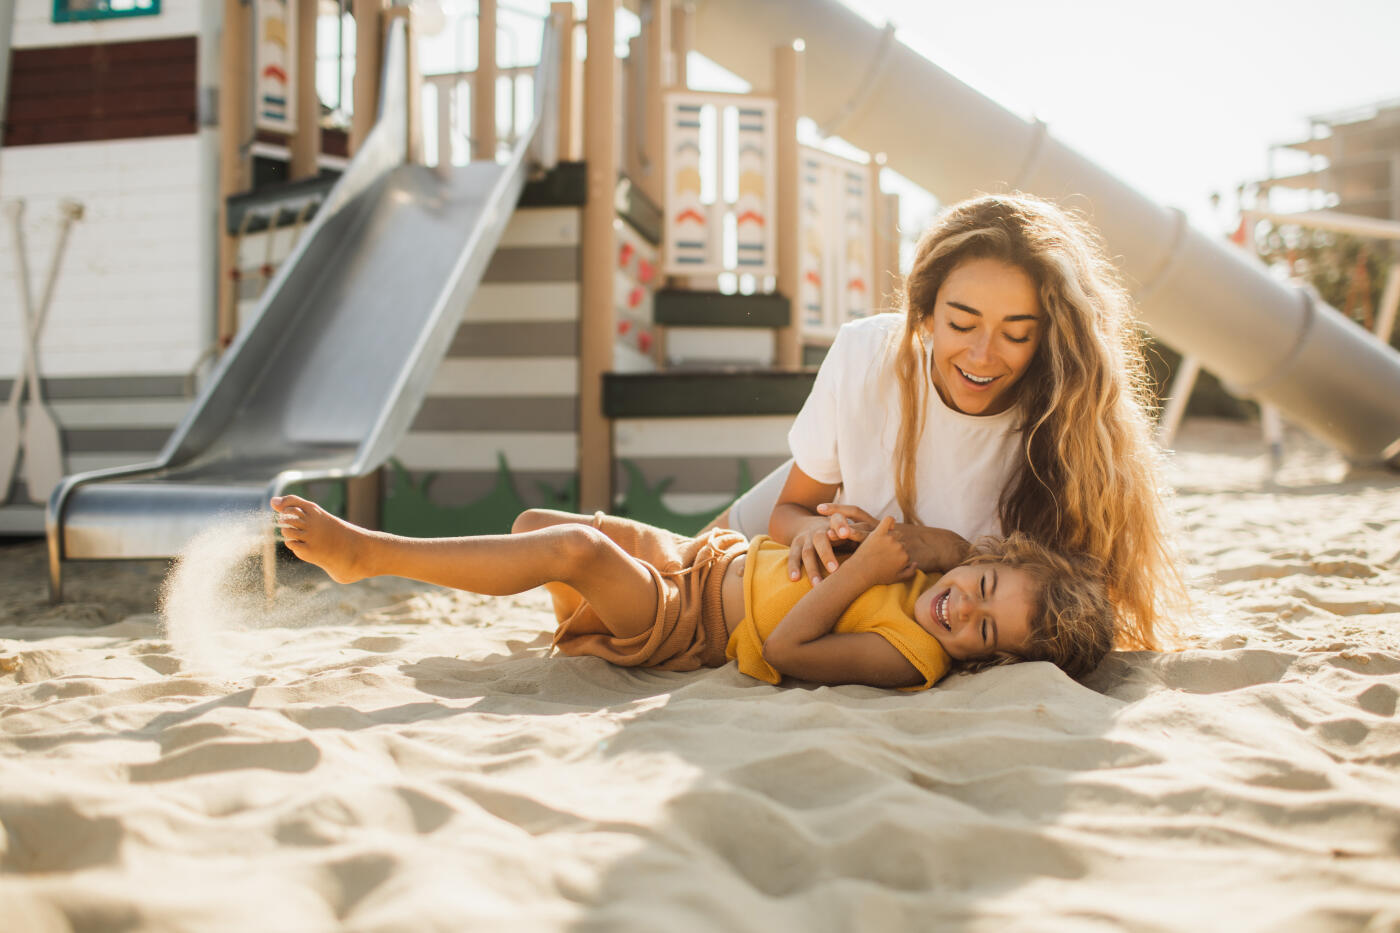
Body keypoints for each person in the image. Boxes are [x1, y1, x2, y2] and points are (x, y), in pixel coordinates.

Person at [713, 193, 1181, 650]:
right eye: (960, 324)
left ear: (1047, 337)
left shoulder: (1064, 427)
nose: (982, 356)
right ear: (926, 313)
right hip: (833, 489)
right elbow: (790, 512)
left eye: (1016, 334)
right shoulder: (865, 350)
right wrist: (811, 532)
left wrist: (950, 549)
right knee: (680, 559)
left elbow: (1061, 606)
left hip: (876, 610)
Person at [270, 494, 1115, 689]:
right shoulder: (945, 566)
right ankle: (578, 603)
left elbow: (788, 649)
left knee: (571, 547)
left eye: (984, 632)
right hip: (705, 555)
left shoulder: (913, 655)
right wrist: (830, 534)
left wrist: (860, 571)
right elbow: (947, 548)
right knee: (535, 523)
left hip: (692, 622)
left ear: (981, 659)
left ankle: (366, 553)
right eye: (986, 586)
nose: (964, 609)